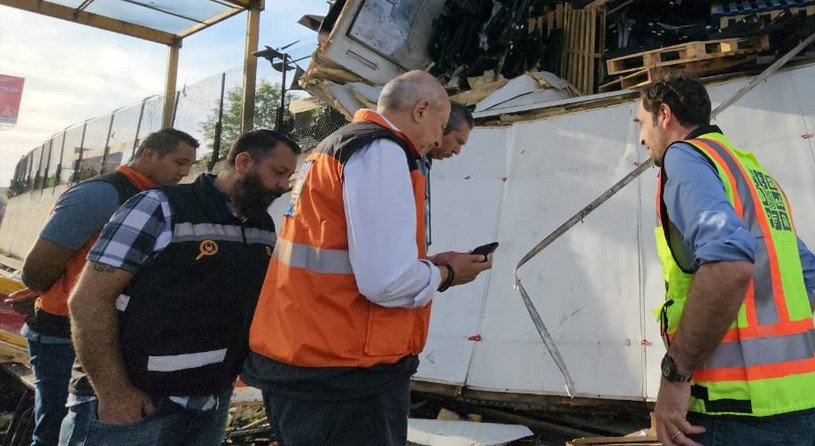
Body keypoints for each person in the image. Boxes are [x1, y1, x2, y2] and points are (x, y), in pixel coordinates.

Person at [243, 70, 493, 446]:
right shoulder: (382, 150)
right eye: (442, 126)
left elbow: (346, 256)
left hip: (306, 358)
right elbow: (387, 283)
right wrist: (445, 273)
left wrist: (427, 266)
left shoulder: (334, 148)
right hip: (343, 376)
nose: (440, 139)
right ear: (421, 110)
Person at [59, 129, 301, 446]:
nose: (284, 186)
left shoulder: (261, 228)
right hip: (136, 410)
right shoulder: (159, 208)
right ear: (243, 162)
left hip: (207, 408)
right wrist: (114, 392)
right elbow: (89, 300)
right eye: (279, 173)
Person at [634, 71, 815, 446]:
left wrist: (675, 377)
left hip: (733, 416)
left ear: (665, 115)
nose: (641, 138)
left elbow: (728, 265)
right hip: (801, 407)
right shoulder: (748, 169)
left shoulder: (685, 158)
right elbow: (808, 274)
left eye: (641, 123)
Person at [15, 128, 198, 446]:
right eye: (178, 162)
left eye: (188, 165)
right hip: (62, 334)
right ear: (148, 154)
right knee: (57, 428)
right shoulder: (102, 195)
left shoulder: (150, 199)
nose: (184, 172)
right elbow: (37, 270)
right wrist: (48, 292)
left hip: (97, 331)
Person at [420, 101, 474, 248]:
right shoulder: (407, 160)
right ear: (441, 128)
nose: (458, 151)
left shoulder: (422, 162)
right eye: (458, 141)